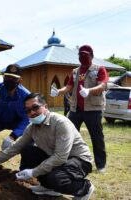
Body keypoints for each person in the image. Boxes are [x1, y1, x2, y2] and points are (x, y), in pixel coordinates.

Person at [0, 93, 94, 200]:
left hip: (79, 160)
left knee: (56, 178)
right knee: (28, 151)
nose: (32, 112)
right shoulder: (32, 128)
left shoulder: (60, 123)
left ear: (45, 107)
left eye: (35, 107)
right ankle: (48, 187)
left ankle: (84, 188)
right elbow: (16, 146)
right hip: (56, 159)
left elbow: (61, 157)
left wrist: (33, 172)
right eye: (27, 110)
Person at [50, 45, 108, 173]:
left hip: (93, 109)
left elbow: (102, 85)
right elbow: (69, 87)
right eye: (80, 55)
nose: (83, 57)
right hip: (76, 109)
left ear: (92, 56)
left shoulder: (99, 69)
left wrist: (89, 91)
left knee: (97, 137)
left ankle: (101, 165)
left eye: (86, 55)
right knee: (68, 135)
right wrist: (58, 91)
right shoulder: (75, 71)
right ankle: (68, 160)